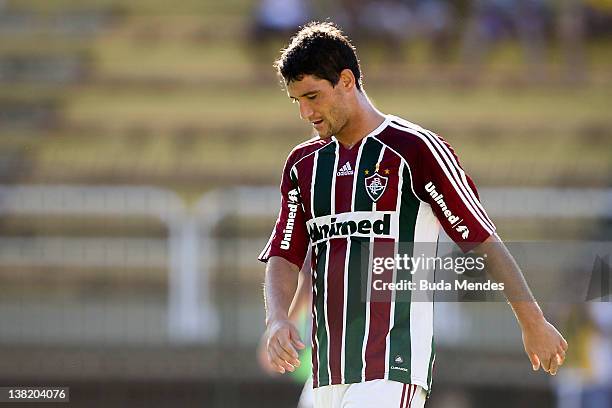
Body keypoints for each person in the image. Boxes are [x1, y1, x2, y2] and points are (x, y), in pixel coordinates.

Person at [258, 21, 568, 408]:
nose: (305, 112)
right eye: (296, 101)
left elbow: (482, 240)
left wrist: (532, 321)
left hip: (392, 367)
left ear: (347, 81)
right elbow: (284, 255)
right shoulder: (303, 165)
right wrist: (277, 318)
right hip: (325, 373)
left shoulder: (415, 149)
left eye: (313, 97)